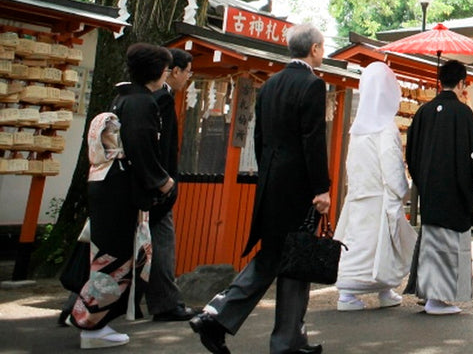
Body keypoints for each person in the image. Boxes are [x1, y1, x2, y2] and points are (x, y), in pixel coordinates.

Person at [190, 23, 332, 354]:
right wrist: (322, 188)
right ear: (313, 49)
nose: (323, 52)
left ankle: (289, 339)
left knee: (283, 257)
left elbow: (259, 138)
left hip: (271, 182)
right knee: (288, 258)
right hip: (298, 186)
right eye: (322, 47)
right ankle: (260, 330)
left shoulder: (269, 85)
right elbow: (313, 140)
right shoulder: (313, 85)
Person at [72, 43, 176, 349]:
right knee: (115, 260)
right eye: (166, 68)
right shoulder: (144, 103)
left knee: (107, 256)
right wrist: (162, 181)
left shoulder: (122, 98)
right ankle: (92, 325)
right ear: (158, 71)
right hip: (121, 188)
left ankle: (90, 320)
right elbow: (141, 146)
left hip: (106, 181)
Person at [403, 59, 473, 315]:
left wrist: (422, 179)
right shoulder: (463, 113)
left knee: (432, 242)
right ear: (463, 83)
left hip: (431, 191)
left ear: (439, 82)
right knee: (451, 244)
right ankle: (438, 299)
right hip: (454, 192)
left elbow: (411, 153)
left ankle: (430, 294)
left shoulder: (423, 112)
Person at [334, 61, 416, 311]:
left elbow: (351, 164)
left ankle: (379, 289)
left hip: (359, 195)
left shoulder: (357, 128)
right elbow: (391, 166)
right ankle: (351, 293)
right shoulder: (385, 127)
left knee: (356, 243)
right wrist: (403, 189)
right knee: (382, 245)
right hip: (380, 198)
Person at [143, 48, 196, 322]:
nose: (188, 77)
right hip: (157, 184)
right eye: (188, 71)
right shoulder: (160, 99)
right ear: (173, 71)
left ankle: (79, 302)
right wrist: (165, 182)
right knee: (162, 242)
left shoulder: (136, 96)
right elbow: (160, 146)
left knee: (114, 243)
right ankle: (165, 303)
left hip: (140, 182)